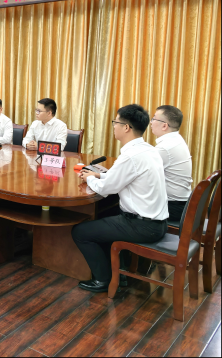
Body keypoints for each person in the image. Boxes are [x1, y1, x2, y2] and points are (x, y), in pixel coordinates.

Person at [72, 104, 168, 292]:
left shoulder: (130, 156)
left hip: (142, 226)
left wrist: (90, 178)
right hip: (156, 222)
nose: (114, 126)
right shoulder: (148, 150)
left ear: (126, 127)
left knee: (81, 232)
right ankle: (119, 273)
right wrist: (99, 175)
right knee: (102, 217)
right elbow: (122, 177)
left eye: (115, 122)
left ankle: (103, 280)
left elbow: (106, 189)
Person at [150, 105, 193, 222]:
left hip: (172, 207)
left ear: (164, 125)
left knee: (122, 205)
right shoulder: (177, 140)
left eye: (154, 119)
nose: (151, 122)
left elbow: (139, 174)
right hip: (182, 204)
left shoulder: (165, 147)